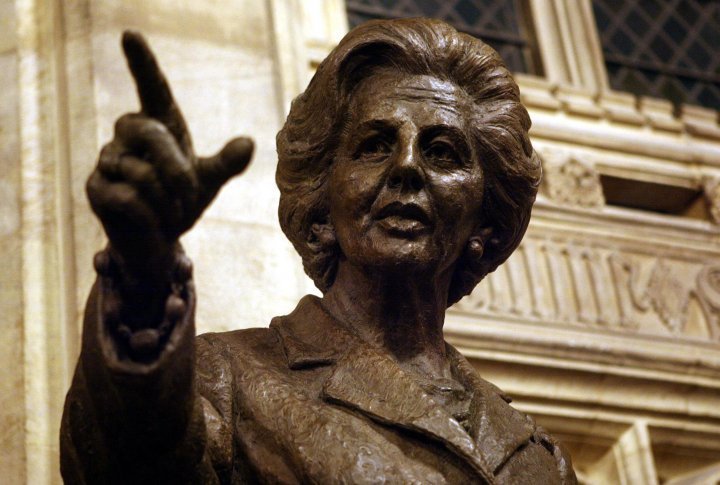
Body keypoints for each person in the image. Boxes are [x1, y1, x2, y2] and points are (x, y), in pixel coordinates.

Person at [61, 18, 576, 484]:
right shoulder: (225, 379)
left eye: (442, 152)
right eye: (374, 145)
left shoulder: (537, 458)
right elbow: (124, 465)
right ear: (322, 201)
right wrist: (142, 267)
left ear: (484, 222)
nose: (407, 167)